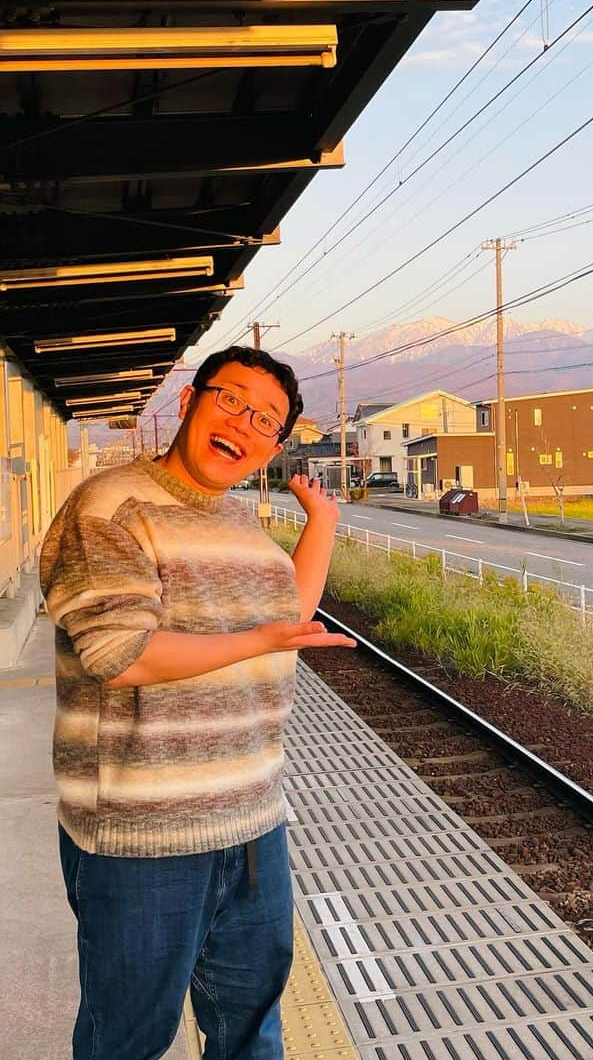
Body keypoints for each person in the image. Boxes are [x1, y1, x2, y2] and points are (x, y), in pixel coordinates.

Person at [40, 345, 357, 1060]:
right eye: (231, 400)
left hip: (251, 827)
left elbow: (290, 613)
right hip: (141, 839)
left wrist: (324, 523)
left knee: (251, 1032)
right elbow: (121, 655)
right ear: (189, 401)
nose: (243, 423)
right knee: (128, 1040)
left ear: (275, 446)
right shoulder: (109, 507)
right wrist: (258, 641)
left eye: (266, 420)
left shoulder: (238, 521)